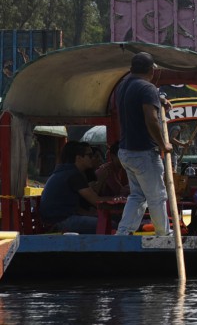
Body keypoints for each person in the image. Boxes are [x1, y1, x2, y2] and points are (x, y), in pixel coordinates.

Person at [115, 52, 173, 237]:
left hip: (126, 151)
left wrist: (160, 100)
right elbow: (151, 120)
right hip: (143, 152)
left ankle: (123, 233)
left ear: (131, 69)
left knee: (138, 195)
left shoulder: (123, 87)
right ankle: (164, 235)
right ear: (151, 70)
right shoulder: (147, 88)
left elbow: (139, 102)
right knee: (157, 196)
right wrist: (163, 145)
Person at [39, 141, 104, 233]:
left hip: (56, 220)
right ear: (79, 158)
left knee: (105, 221)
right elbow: (97, 201)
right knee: (111, 225)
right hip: (61, 223)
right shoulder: (73, 174)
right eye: (90, 155)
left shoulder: (65, 171)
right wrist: (120, 200)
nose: (92, 158)